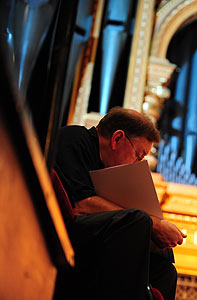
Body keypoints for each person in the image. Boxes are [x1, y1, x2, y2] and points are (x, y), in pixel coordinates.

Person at [53, 106, 186, 300]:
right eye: (138, 156)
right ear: (117, 139)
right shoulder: (74, 139)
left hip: (93, 238)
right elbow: (81, 203)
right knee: (139, 220)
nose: (137, 164)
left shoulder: (107, 167)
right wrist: (154, 224)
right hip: (63, 234)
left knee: (165, 271)